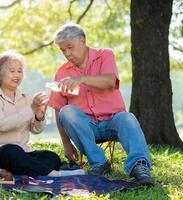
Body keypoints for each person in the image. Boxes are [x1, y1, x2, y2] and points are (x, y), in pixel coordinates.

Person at [49, 23, 154, 185]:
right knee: (66, 111)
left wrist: (82, 79)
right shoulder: (61, 72)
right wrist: (66, 143)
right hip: (86, 127)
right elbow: (58, 109)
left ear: (82, 40)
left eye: (70, 47)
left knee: (127, 118)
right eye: (63, 50)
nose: (67, 54)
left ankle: (139, 167)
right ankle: (100, 163)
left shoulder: (105, 55)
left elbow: (110, 81)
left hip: (112, 121)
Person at [0, 51, 84, 177]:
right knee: (11, 150)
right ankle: (53, 174)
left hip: (21, 154)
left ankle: (14, 170)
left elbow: (36, 130)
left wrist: (39, 115)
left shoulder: (25, 98)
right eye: (12, 71)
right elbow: (2, 125)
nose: (17, 75)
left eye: (20, 71)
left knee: (51, 156)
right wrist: (31, 109)